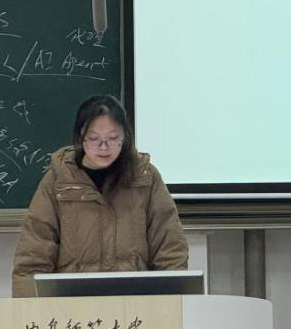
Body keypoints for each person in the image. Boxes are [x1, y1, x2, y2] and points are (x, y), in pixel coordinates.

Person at [11, 94, 188, 298]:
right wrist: (27, 310)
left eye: (112, 138)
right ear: (80, 138)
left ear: (125, 137)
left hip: (135, 304)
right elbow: (33, 258)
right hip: (72, 305)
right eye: (94, 138)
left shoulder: (145, 178)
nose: (104, 147)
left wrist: (170, 304)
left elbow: (170, 252)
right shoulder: (58, 180)